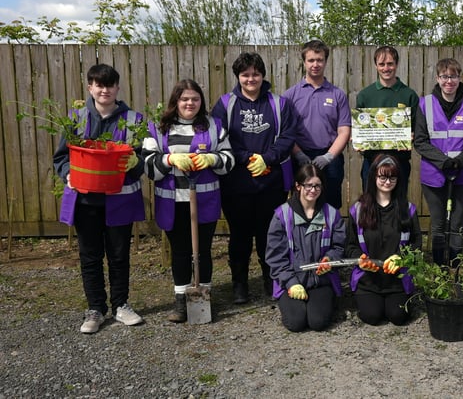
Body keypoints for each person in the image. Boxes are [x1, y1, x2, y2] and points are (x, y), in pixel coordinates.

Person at [53, 64, 146, 334]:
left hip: (120, 198)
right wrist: (68, 174)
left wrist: (135, 162)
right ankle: (95, 309)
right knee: (90, 256)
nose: (104, 90)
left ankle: (121, 305)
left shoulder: (134, 120)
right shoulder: (75, 119)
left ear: (118, 88)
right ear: (90, 87)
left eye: (110, 85)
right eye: (98, 84)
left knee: (119, 255)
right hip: (85, 200)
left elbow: (145, 158)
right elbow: (60, 157)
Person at [142, 80, 234, 323]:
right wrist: (170, 160)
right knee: (180, 252)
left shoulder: (214, 126)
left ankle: (204, 295)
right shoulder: (158, 128)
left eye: (195, 99)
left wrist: (213, 159)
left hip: (204, 199)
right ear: (176, 101)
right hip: (173, 201)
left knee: (203, 251)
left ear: (201, 101)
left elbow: (229, 159)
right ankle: (182, 302)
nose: (190, 103)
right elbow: (148, 166)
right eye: (184, 99)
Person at [211, 52, 295, 304]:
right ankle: (240, 284)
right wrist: (248, 158)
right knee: (240, 236)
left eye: (255, 74)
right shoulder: (225, 104)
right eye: (245, 74)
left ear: (263, 76)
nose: (251, 79)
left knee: (268, 234)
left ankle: (271, 278)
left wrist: (267, 159)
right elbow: (220, 137)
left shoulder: (279, 104)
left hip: (271, 182)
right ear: (238, 76)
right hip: (236, 183)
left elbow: (288, 136)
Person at [413, 58, 463, 266]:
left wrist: (460, 161)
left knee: (457, 224)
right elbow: (420, 141)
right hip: (433, 173)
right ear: (437, 78)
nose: (449, 81)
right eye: (444, 76)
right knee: (437, 225)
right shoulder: (424, 104)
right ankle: (439, 269)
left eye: (453, 76)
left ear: (460, 78)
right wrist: (443, 161)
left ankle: (454, 270)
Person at [266, 164, 347, 332]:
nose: (313, 190)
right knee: (296, 323)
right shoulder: (282, 215)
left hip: (321, 281)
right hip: (291, 280)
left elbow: (339, 246)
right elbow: (275, 257)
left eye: (317, 185)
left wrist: (329, 259)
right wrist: (291, 283)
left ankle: (326, 301)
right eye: (308, 185)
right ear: (298, 186)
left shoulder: (331, 214)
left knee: (317, 322)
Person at [345, 153, 422, 326]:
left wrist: (402, 258)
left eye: (392, 177)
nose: (387, 182)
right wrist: (361, 259)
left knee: (398, 316)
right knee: (372, 316)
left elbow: (416, 245)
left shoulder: (408, 210)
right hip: (368, 280)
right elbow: (349, 246)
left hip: (397, 279)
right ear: (373, 177)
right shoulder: (358, 210)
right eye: (382, 176)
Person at [284, 39, 351, 209]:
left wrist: (328, 157)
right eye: (311, 60)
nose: (315, 64)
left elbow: (344, 131)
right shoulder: (290, 96)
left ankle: (331, 235)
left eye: (320, 60)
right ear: (304, 62)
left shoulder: (338, 95)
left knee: (331, 204)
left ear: (326, 61)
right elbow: (285, 131)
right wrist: (298, 154)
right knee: (301, 204)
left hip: (331, 158)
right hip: (299, 156)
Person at [355, 46, 419, 194]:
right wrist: (359, 140)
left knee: (398, 205)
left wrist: (412, 137)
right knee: (370, 205)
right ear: (376, 65)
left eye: (390, 63)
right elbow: (360, 128)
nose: (386, 68)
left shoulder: (409, 95)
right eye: (382, 64)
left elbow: (417, 129)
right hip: (371, 162)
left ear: (396, 64)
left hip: (399, 162)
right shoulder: (365, 95)